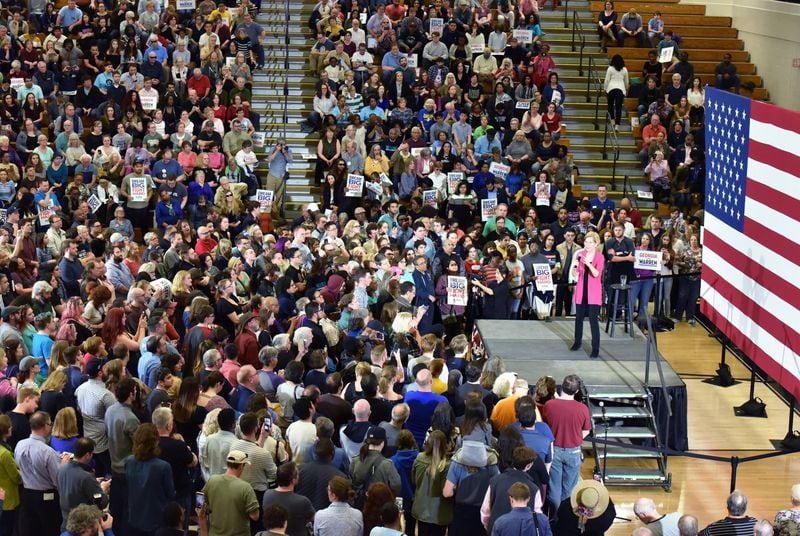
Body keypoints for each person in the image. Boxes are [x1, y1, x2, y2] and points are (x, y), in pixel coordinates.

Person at [15, 411, 70, 536]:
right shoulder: (47, 452)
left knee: (30, 529)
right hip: (46, 497)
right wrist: (62, 465)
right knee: (49, 529)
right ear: (45, 426)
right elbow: (57, 479)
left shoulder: (19, 445)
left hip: (27, 494)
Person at [543, 375, 591, 509]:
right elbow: (586, 431)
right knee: (570, 487)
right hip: (573, 451)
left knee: (554, 487)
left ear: (561, 387)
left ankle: (554, 516)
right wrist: (574, 438)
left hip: (554, 450)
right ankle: (565, 516)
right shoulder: (582, 409)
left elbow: (546, 425)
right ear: (576, 391)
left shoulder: (550, 405)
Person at [204, 450, 262, 536]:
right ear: (242, 465)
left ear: (227, 463)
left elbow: (203, 505)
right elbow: (255, 516)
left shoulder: (212, 480)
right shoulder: (246, 487)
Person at [569, 232, 605, 358]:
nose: (587, 244)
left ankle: (595, 348)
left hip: (593, 293)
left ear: (596, 243)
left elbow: (596, 274)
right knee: (578, 319)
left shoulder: (599, 257)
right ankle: (577, 342)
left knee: (593, 321)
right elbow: (575, 273)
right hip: (581, 290)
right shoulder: (580, 254)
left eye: (590, 242)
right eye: (586, 242)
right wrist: (574, 269)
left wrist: (588, 264)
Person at [604, 55, 629, 130]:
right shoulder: (624, 69)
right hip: (620, 89)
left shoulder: (610, 68)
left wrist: (605, 89)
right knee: (618, 107)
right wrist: (626, 89)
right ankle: (617, 125)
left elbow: (607, 80)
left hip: (611, 88)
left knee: (610, 105)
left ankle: (612, 120)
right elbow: (626, 81)